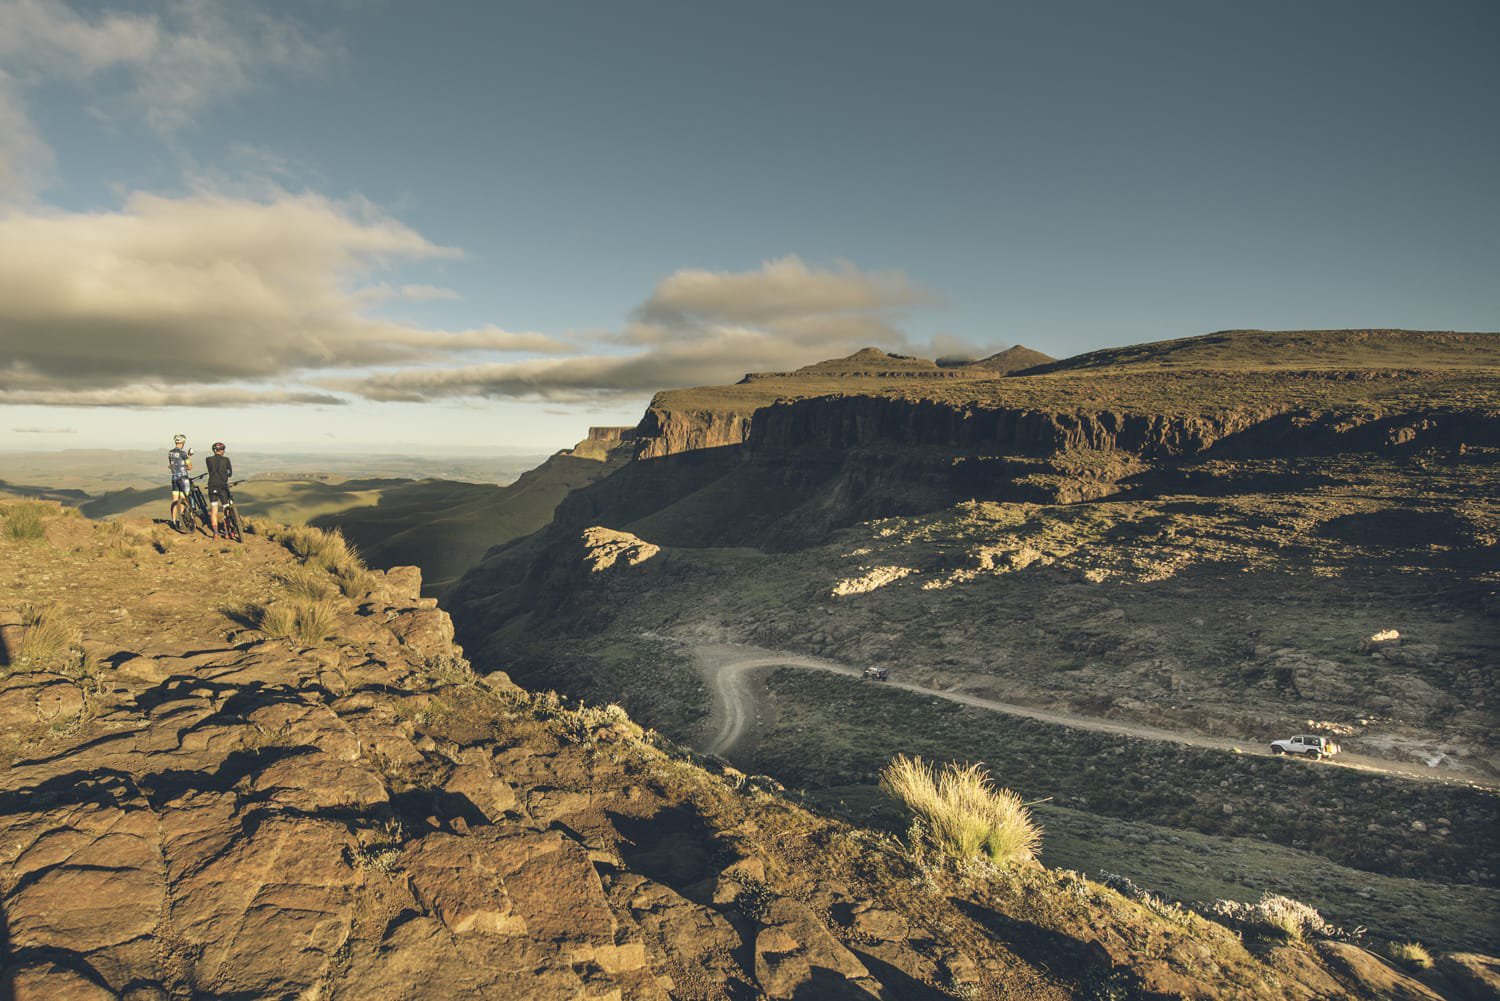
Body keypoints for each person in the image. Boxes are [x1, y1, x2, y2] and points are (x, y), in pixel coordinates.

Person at [206, 442, 234, 538]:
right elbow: (230, 473)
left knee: (214, 510)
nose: (224, 452)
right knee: (226, 510)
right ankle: (227, 532)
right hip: (223, 487)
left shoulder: (208, 459)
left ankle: (215, 533)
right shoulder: (226, 460)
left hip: (212, 486)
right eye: (223, 450)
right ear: (221, 450)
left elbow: (210, 471)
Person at [168, 434, 193, 530]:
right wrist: (188, 458)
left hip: (174, 478)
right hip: (183, 478)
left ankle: (173, 521)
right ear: (182, 443)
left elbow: (172, 465)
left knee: (174, 501)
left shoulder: (170, 453)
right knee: (183, 500)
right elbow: (190, 467)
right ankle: (181, 522)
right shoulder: (183, 453)